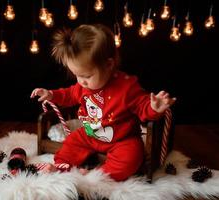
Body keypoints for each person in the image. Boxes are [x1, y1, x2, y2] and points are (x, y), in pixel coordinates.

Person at [30, 24, 176, 181]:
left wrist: (154, 108)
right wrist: (51, 94)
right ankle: (61, 166)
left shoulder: (127, 87)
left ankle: (100, 174)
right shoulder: (82, 86)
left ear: (108, 65)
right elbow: (68, 94)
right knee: (71, 142)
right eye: (77, 75)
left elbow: (142, 107)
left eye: (87, 76)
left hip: (121, 139)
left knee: (132, 156)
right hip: (90, 134)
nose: (82, 82)